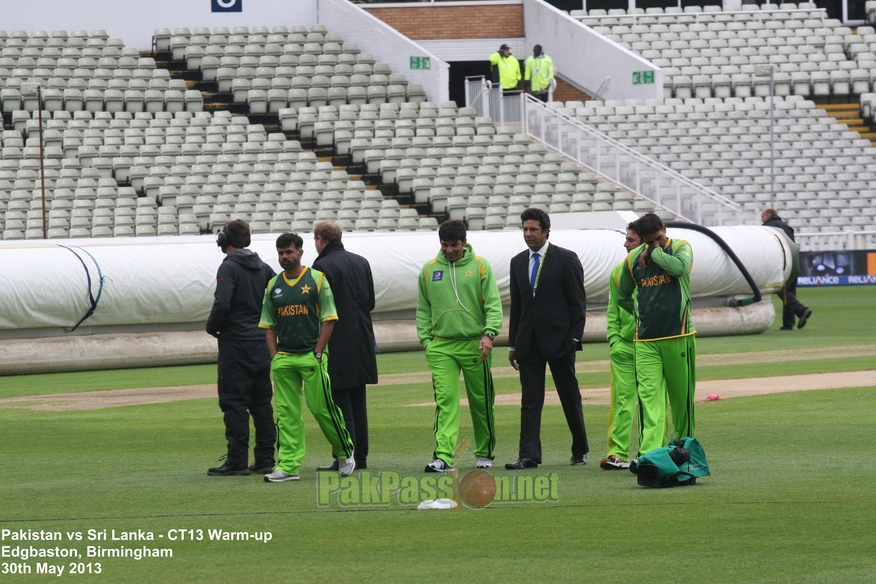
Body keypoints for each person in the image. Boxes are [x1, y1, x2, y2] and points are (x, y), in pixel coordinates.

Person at [259, 233, 355, 483]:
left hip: (311, 356)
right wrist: (275, 357)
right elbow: (268, 324)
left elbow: (329, 319)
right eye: (281, 253)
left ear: (300, 252)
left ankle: (345, 452)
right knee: (286, 413)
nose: (284, 257)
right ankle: (289, 466)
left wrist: (318, 351)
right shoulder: (273, 285)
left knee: (321, 409)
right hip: (285, 358)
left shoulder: (317, 279)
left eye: (289, 252)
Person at [416, 220, 503, 472]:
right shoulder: (429, 269)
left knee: (482, 400)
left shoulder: (480, 265)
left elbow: (493, 304)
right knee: (446, 401)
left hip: (476, 344)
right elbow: (423, 308)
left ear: (464, 242)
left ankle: (484, 453)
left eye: (454, 245)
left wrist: (489, 334)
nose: (449, 250)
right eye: (444, 245)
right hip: (441, 346)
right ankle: (443, 456)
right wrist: (426, 340)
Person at [506, 208, 589, 469]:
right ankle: (528, 455)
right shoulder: (517, 262)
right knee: (530, 400)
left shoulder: (565, 259)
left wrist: (574, 338)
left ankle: (580, 449)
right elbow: (517, 307)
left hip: (560, 342)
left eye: (533, 229)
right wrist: (512, 343)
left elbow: (578, 302)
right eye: (525, 229)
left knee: (569, 397)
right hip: (528, 343)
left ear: (546, 231)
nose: (528, 234)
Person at [616, 213, 696, 459]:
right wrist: (640, 316)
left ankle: (686, 453)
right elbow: (622, 297)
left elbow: (679, 268)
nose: (656, 244)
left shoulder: (681, 247)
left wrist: (654, 252)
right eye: (649, 242)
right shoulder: (631, 260)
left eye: (659, 238)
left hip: (679, 336)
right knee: (650, 403)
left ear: (664, 229)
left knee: (681, 404)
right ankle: (651, 456)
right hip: (646, 341)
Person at [205, 220, 277, 477]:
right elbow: (276, 297)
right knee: (261, 402)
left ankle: (237, 461)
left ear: (225, 240)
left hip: (235, 344)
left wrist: (212, 326)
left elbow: (222, 301)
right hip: (261, 343)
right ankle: (266, 458)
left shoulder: (229, 267)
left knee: (234, 401)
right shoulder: (265, 268)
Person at [311, 221, 378, 471]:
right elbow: (370, 301)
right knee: (358, 402)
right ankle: (360, 457)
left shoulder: (321, 266)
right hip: (362, 338)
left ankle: (345, 456)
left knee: (340, 403)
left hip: (336, 341)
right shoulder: (361, 261)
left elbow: (320, 309)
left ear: (320, 240)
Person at [601, 222, 642, 471]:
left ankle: (649, 453)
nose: (625, 244)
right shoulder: (618, 271)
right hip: (624, 347)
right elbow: (612, 308)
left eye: (631, 240)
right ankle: (616, 453)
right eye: (626, 239)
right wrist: (614, 339)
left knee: (652, 402)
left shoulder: (662, 270)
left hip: (654, 346)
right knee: (622, 402)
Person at [762, 208, 812, 330]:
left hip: (780, 262)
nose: (762, 220)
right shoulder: (786, 226)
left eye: (762, 217)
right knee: (789, 290)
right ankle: (788, 323)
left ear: (768, 215)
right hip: (793, 260)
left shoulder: (768, 228)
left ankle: (801, 310)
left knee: (780, 288)